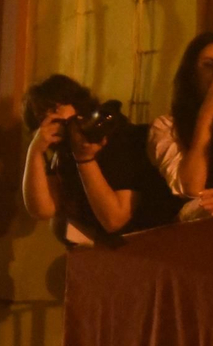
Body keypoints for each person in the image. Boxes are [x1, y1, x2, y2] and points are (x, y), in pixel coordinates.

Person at [22, 74, 176, 246]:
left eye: (55, 109)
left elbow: (115, 220)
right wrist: (35, 151)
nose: (51, 122)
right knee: (60, 225)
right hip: (109, 249)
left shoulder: (117, 136)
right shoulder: (63, 153)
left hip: (154, 238)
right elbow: (42, 210)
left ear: (76, 104)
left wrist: (84, 159)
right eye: (43, 117)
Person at [148, 33, 213, 221]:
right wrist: (206, 115)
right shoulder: (166, 126)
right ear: (191, 73)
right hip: (194, 228)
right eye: (208, 65)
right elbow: (191, 188)